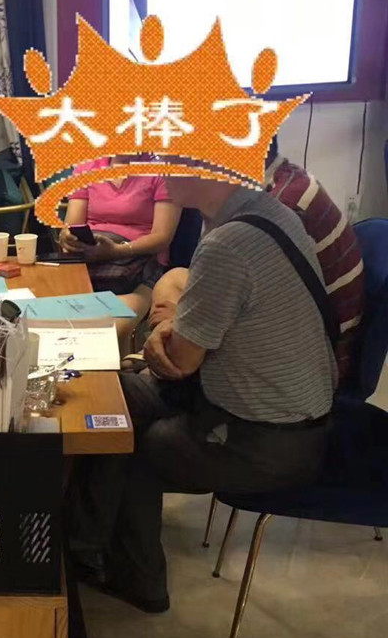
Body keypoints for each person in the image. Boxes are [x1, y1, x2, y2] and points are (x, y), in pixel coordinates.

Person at [75, 174, 336, 613]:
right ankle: (83, 542)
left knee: (136, 442)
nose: (161, 169)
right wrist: (176, 325)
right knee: (111, 396)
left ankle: (137, 580)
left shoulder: (227, 244)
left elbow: (177, 361)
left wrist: (165, 328)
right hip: (284, 413)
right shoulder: (268, 212)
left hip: (266, 441)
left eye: (172, 158)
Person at [147, 141, 365, 381]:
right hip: (291, 326)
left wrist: (180, 325)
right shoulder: (273, 186)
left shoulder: (272, 209)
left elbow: (268, 313)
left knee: (165, 361)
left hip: (312, 358)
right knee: (172, 279)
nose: (161, 168)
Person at [58, 158, 181, 351]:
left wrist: (117, 250)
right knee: (51, 326)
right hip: (88, 261)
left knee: (106, 332)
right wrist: (68, 237)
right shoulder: (87, 168)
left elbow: (162, 237)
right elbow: (72, 224)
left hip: (140, 265)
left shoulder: (163, 172)